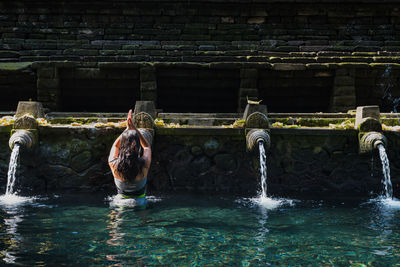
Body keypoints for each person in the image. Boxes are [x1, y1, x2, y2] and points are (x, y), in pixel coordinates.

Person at [108, 109, 151, 208]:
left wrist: (127, 129)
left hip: (119, 202)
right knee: (144, 222)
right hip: (140, 202)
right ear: (137, 145)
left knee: (115, 221)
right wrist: (135, 129)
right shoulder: (144, 164)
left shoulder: (113, 164)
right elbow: (147, 147)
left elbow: (115, 146)